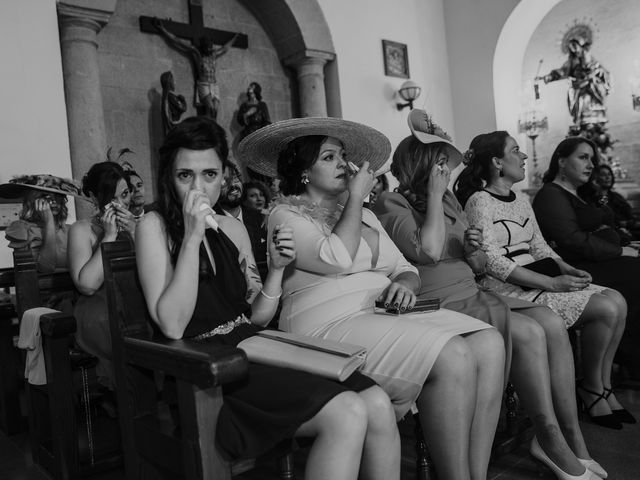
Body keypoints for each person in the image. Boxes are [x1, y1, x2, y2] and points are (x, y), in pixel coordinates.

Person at [240, 117, 505, 480]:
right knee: (453, 354)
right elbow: (335, 256)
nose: (344, 165)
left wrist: (407, 286)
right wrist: (354, 200)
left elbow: (404, 267)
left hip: (383, 313)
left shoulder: (364, 214)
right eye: (329, 157)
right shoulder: (285, 214)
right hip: (325, 325)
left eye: (343, 156)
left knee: (488, 342)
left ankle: (476, 473)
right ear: (304, 171)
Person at [135, 115, 400, 480]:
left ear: (224, 175)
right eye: (186, 175)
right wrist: (193, 237)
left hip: (252, 345)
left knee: (377, 402)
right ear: (169, 176)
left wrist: (275, 271)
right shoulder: (154, 226)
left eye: (209, 175)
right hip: (205, 368)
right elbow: (172, 323)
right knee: (348, 411)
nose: (199, 187)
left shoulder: (230, 226)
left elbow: (254, 317)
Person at [375, 109, 605, 480]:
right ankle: (547, 435)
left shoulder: (449, 202)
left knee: (549, 319)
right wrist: (436, 196)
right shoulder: (390, 204)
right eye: (438, 164)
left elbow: (480, 265)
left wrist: (472, 249)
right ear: (419, 165)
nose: (445, 172)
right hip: (437, 300)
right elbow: (429, 251)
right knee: (530, 332)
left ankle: (564, 433)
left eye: (445, 166)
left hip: (471, 288)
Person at [454, 132, 632, 433]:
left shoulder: (522, 200)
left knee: (617, 300)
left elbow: (541, 248)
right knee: (606, 309)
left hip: (540, 273)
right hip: (509, 285)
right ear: (497, 162)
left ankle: (602, 386)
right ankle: (590, 388)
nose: (523, 156)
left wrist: (570, 269)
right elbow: (494, 262)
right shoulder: (479, 201)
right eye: (516, 150)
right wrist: (552, 284)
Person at [533, 137, 640, 387]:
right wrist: (620, 252)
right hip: (577, 267)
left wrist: (626, 244)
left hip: (600, 258)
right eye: (583, 157)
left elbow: (605, 227)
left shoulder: (581, 193)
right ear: (561, 161)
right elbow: (571, 240)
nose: (590, 164)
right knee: (636, 276)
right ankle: (630, 360)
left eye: (592, 159)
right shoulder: (550, 194)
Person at [68, 162, 136, 388]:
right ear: (93, 197)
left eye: (125, 194)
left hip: (134, 300)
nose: (120, 203)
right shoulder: (81, 229)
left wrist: (136, 232)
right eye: (111, 197)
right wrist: (108, 236)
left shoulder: (138, 224)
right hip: (100, 308)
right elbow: (86, 285)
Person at [152, 18, 238, 119]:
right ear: (203, 47)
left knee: (215, 109)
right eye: (207, 47)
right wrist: (163, 30)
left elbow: (225, 48)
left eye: (211, 47)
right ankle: (209, 129)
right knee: (210, 108)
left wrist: (235, 37)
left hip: (214, 84)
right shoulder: (197, 54)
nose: (210, 49)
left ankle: (213, 128)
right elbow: (177, 41)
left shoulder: (213, 54)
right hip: (204, 84)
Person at [1, 174, 88, 273]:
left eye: (58, 197)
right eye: (45, 197)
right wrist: (49, 222)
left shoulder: (72, 230)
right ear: (32, 200)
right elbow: (45, 268)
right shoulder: (22, 230)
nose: (54, 202)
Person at [537, 29, 610, 127]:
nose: (573, 49)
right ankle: (580, 122)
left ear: (580, 45)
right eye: (571, 47)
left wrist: (594, 74)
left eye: (574, 46)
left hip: (590, 88)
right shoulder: (571, 61)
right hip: (577, 89)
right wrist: (550, 77)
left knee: (590, 105)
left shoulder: (590, 58)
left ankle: (594, 125)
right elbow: (562, 71)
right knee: (580, 106)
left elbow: (600, 71)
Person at [218, 164, 268, 281]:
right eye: (224, 181)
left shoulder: (261, 218)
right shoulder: (209, 223)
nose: (233, 186)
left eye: (235, 178)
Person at [588, 163, 640, 242]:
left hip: (631, 228)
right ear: (595, 178)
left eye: (609, 174)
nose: (608, 177)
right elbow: (604, 216)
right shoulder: (593, 199)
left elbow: (630, 213)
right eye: (603, 174)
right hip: (615, 233)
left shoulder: (616, 196)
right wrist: (599, 192)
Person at [160, 70, 187, 135]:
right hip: (175, 126)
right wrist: (183, 100)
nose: (175, 83)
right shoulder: (171, 97)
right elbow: (183, 108)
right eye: (173, 81)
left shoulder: (166, 97)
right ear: (169, 83)